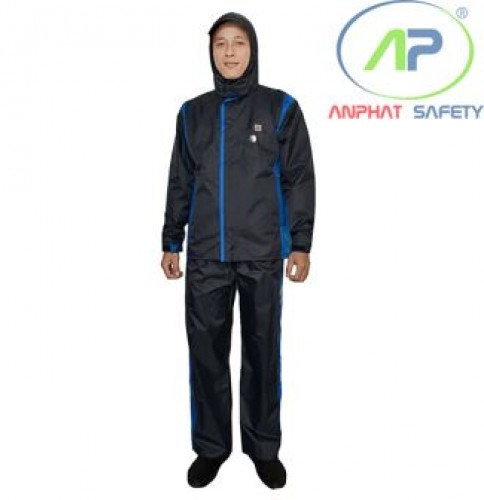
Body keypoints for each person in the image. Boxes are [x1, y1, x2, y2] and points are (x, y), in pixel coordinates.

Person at [160, 12, 315, 489]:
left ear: (253, 49)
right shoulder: (192, 113)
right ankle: (211, 448)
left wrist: (301, 244)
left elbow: (299, 178)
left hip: (263, 252)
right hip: (207, 255)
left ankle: (264, 448)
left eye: (239, 43)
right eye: (221, 44)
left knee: (262, 352)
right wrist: (171, 239)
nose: (229, 52)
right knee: (206, 355)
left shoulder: (281, 107)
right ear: (210, 52)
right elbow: (180, 180)